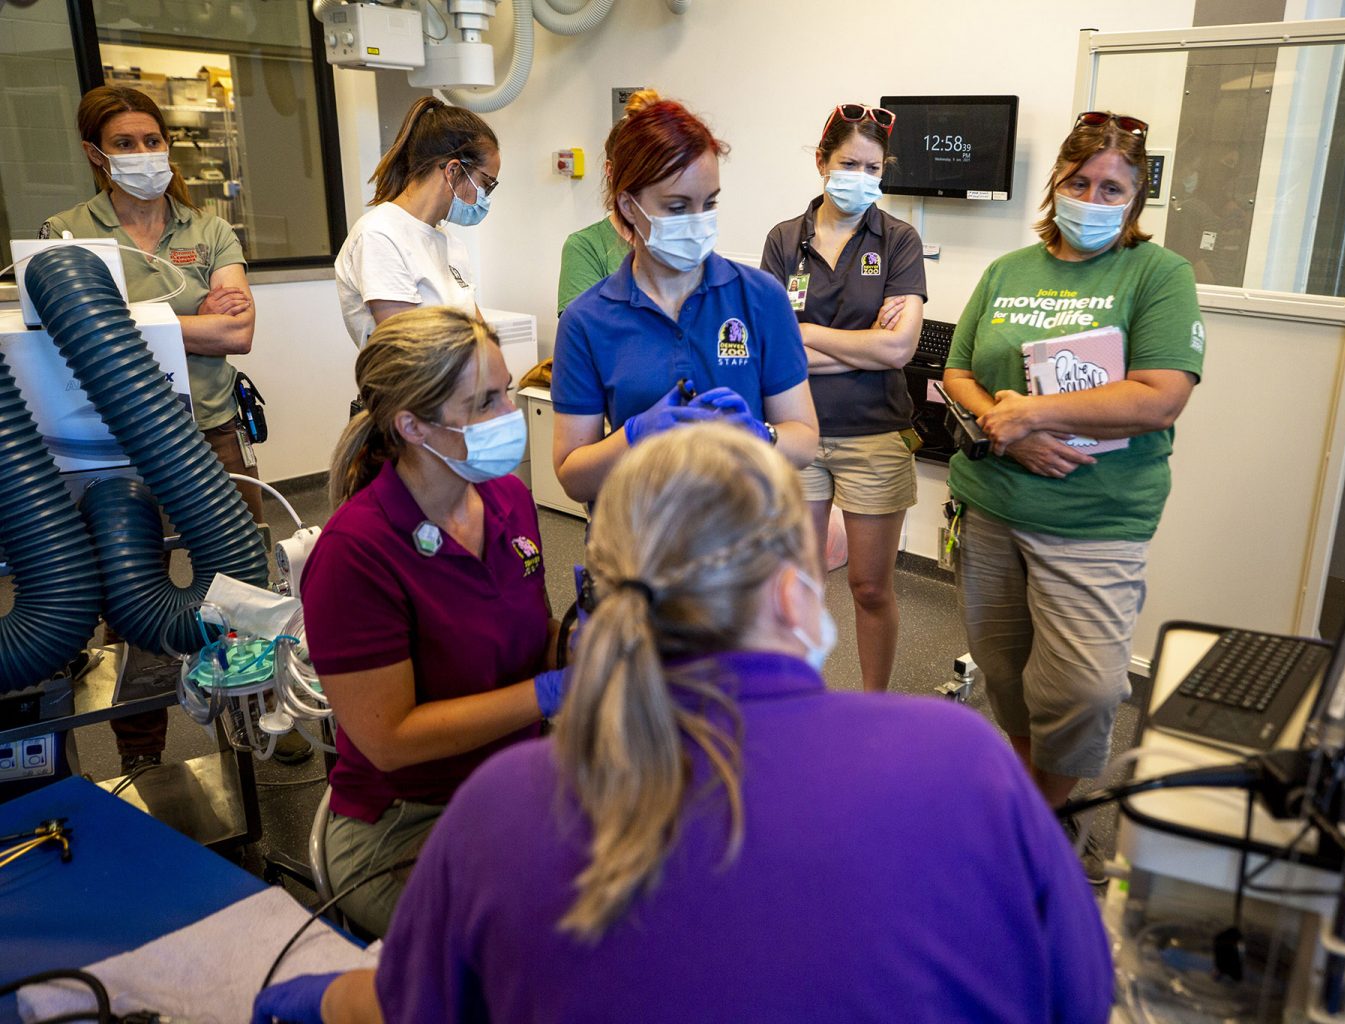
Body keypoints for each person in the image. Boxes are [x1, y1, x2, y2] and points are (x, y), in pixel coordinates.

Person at [253, 424, 1114, 1024]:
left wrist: (300, 1000)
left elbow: (415, 1007)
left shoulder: (506, 809)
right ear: (790, 589)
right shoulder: (962, 759)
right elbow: (1080, 997)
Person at [943, 111, 1204, 834]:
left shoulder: (1158, 274)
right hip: (994, 504)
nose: (1092, 198)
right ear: (1056, 184)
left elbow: (1161, 396)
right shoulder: (1007, 271)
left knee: (1085, 688)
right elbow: (959, 371)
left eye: (1112, 188)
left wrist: (1037, 415)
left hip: (1094, 520)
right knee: (1005, 671)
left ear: (1135, 201)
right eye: (1079, 181)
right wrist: (1011, 433)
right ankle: (1034, 803)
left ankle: (1040, 822)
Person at [299, 307, 564, 937]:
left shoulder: (507, 499)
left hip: (516, 783)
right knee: (542, 945)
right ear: (413, 425)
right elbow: (391, 738)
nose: (511, 414)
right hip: (407, 820)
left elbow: (533, 636)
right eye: (485, 403)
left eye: (508, 391)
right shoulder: (355, 553)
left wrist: (593, 637)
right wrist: (550, 693)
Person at [44, 84, 265, 775]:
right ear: (94, 154)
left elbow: (240, 331)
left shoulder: (209, 231)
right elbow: (63, 338)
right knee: (134, 602)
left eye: (152, 140)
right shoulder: (64, 236)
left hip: (212, 434)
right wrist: (193, 323)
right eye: (125, 144)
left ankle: (255, 724)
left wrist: (116, 324)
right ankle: (142, 753)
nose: (145, 155)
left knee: (244, 587)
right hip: (116, 449)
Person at [552, 94, 817, 503]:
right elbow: (573, 477)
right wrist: (637, 436)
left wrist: (756, 436)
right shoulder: (587, 320)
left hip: (747, 543)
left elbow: (803, 440)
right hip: (639, 544)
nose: (697, 222)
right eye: (677, 207)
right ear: (628, 205)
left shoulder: (761, 299)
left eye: (709, 203)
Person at [761, 103, 927, 692]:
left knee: (870, 586)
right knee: (800, 579)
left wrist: (807, 335)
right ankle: (800, 696)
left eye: (872, 166)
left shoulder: (900, 240)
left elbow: (899, 351)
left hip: (875, 432)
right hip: (795, 427)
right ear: (821, 163)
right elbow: (775, 352)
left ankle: (873, 704)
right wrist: (863, 343)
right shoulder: (784, 240)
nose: (860, 175)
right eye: (848, 163)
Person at [334, 97, 497, 347]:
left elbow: (481, 339)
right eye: (485, 184)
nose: (485, 197)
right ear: (453, 170)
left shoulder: (449, 244)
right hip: (417, 387)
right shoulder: (379, 235)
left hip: (462, 383)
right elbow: (412, 351)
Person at [554, 90, 653, 315]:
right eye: (636, 167)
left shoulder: (677, 242)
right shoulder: (586, 247)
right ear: (611, 170)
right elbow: (586, 336)